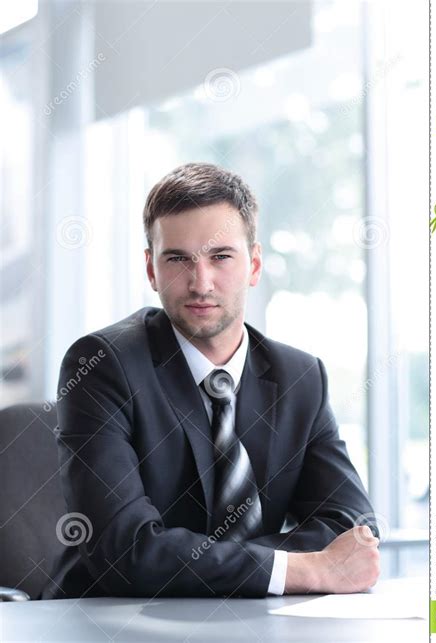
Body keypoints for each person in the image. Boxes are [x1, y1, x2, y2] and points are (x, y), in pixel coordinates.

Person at [41, 162, 380, 600]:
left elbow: (352, 528)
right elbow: (126, 552)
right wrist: (307, 569)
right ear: (151, 270)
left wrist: (205, 561)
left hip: (251, 625)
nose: (200, 283)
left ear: (254, 264)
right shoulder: (103, 365)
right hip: (113, 622)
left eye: (220, 257)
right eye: (178, 259)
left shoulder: (300, 377)